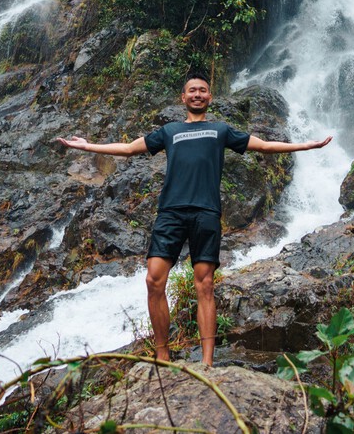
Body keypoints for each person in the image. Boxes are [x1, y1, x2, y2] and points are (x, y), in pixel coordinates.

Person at [57, 70, 331, 366]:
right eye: (192, 90)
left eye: (202, 90)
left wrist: (306, 146)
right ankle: (163, 354)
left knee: (205, 285)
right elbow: (127, 149)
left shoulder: (221, 130)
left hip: (206, 213)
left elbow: (263, 146)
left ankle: (208, 362)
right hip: (171, 212)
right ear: (183, 97)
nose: (198, 94)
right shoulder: (169, 131)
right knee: (153, 280)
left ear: (209, 97)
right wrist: (86, 146)